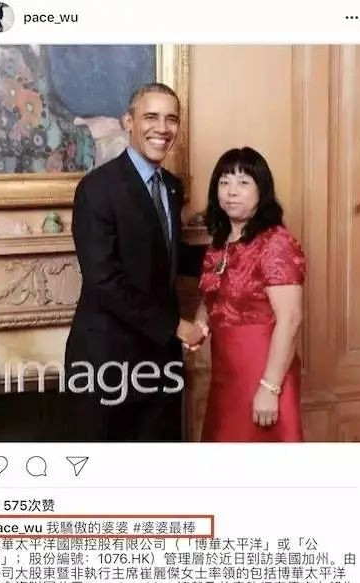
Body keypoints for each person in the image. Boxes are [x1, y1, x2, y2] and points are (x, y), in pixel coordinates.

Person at [64, 83, 205, 442]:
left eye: (171, 119)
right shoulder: (97, 188)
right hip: (107, 360)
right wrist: (174, 326)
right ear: (129, 121)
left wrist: (233, 255)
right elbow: (104, 280)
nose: (163, 128)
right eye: (151, 117)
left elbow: (166, 254)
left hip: (160, 361)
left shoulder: (171, 186)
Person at [197, 147, 306, 442]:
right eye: (224, 182)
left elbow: (291, 319)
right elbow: (212, 298)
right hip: (226, 372)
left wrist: (270, 387)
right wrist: (199, 327)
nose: (231, 191)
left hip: (264, 371)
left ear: (262, 190)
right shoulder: (221, 242)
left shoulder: (275, 242)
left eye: (243, 182)